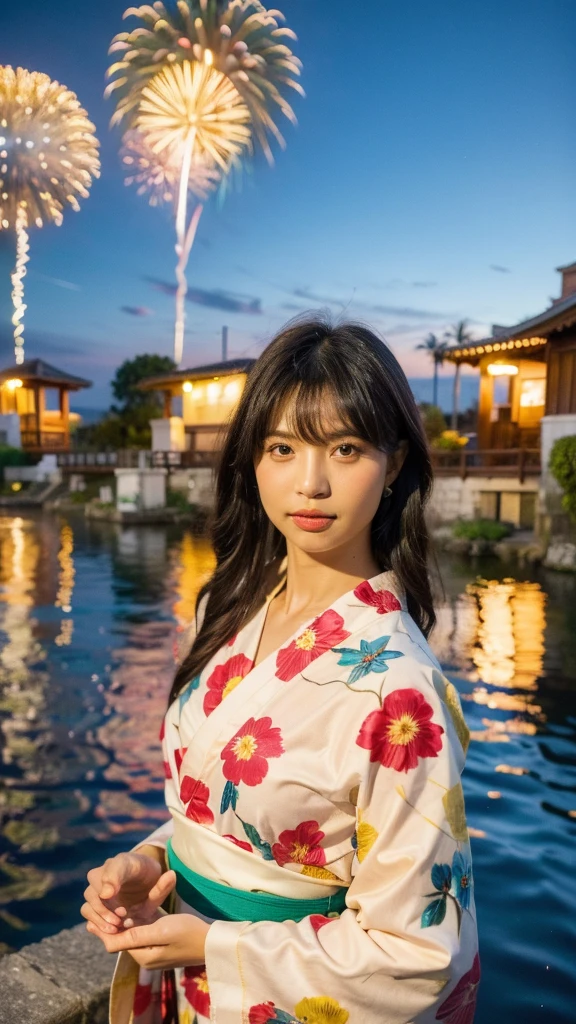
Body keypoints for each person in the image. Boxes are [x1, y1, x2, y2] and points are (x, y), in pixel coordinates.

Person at [82, 316, 480, 1024]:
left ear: (393, 466)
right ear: (252, 462)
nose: (311, 482)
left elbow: (420, 953)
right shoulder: (230, 612)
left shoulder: (399, 692)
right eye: (282, 447)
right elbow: (216, 817)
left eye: (347, 447)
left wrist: (219, 945)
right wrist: (151, 864)